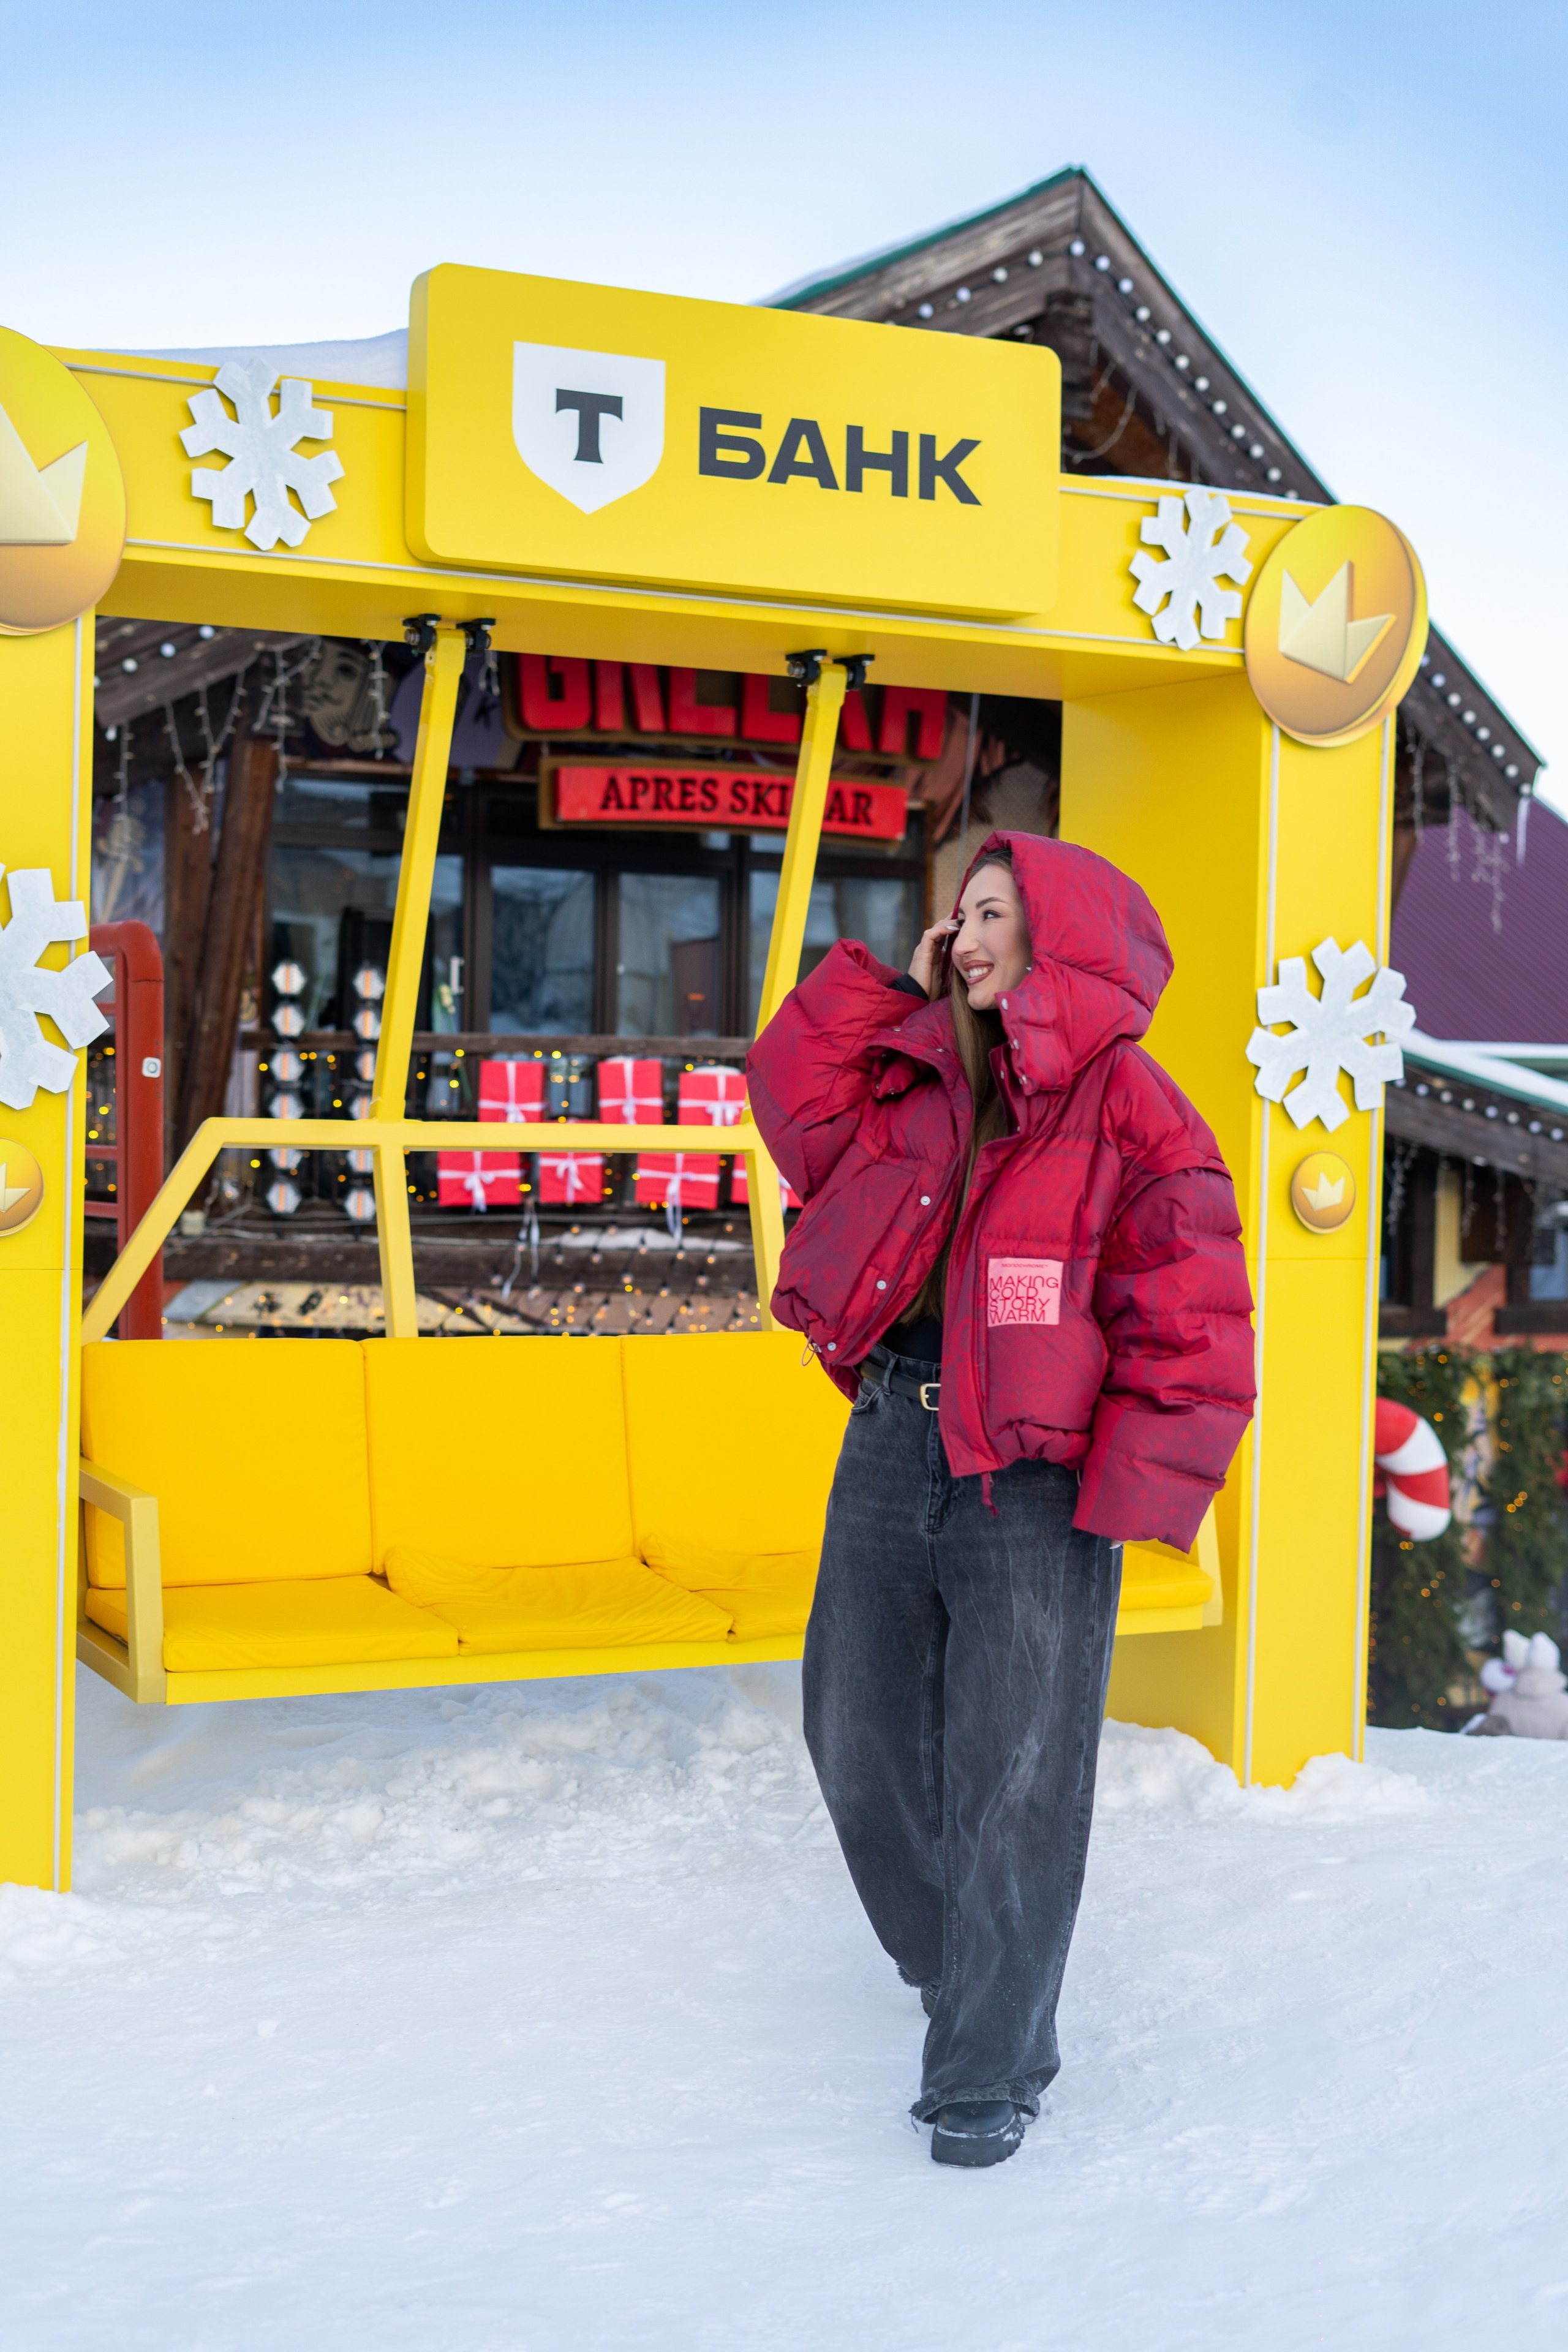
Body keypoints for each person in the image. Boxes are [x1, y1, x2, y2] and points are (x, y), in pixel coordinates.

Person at [747, 831, 1255, 2168]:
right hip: (886, 1431)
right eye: (956, 918)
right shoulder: (919, 1067)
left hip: (1030, 1474)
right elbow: (790, 1103)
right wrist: (895, 993)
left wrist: (1129, 1489)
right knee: (853, 1734)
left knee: (1016, 1767)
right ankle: (961, 1961)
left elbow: (1189, 1311)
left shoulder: (1135, 1104)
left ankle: (990, 2060)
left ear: (1057, 935)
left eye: (989, 915)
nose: (964, 937)